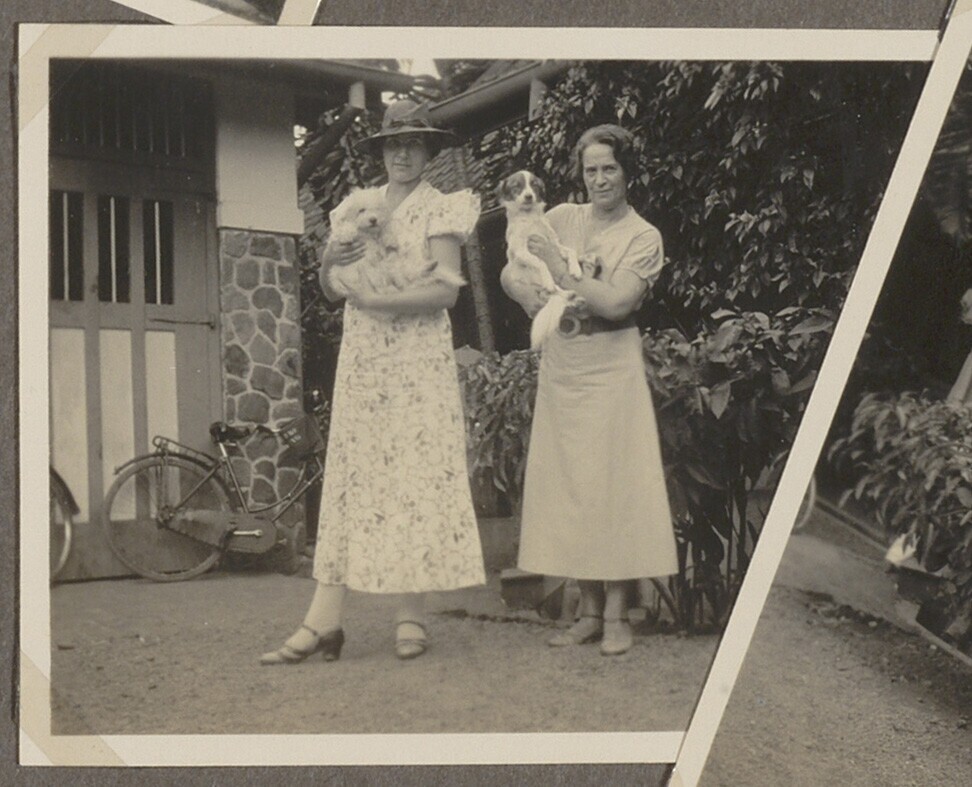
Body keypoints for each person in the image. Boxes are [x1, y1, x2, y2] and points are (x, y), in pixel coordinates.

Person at [261, 99, 485, 665]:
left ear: (428, 151)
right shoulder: (356, 206)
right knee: (354, 478)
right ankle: (324, 620)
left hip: (417, 364)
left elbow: (445, 291)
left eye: (413, 144)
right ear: (382, 152)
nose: (402, 154)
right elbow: (330, 288)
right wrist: (330, 258)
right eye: (393, 145)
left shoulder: (441, 208)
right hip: (364, 362)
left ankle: (411, 615)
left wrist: (377, 301)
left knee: (411, 478)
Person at [507, 124, 679, 657]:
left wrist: (563, 271)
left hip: (612, 364)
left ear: (627, 173)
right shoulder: (562, 217)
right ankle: (585, 611)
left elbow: (617, 302)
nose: (600, 179)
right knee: (573, 487)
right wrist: (530, 297)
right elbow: (511, 267)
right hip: (565, 363)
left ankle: (617, 615)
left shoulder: (643, 236)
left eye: (609, 168)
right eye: (591, 170)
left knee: (614, 487)